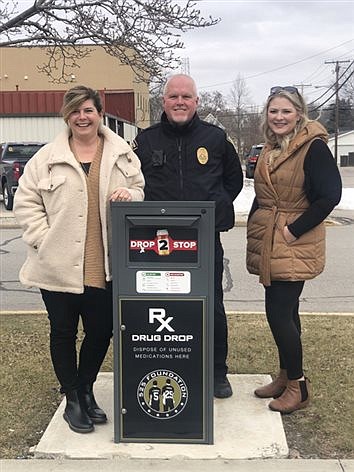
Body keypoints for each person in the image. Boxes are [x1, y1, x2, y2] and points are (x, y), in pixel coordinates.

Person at [14, 85, 145, 433]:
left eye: (88, 110)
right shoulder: (46, 158)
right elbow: (25, 202)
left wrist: (130, 194)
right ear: (66, 116)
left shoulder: (121, 153)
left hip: (103, 264)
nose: (82, 117)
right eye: (75, 111)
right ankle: (72, 398)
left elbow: (141, 188)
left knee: (101, 330)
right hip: (56, 264)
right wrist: (44, 239)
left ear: (99, 113)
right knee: (63, 332)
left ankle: (85, 388)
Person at [134, 74, 243, 398]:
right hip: (158, 241)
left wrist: (217, 205)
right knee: (161, 306)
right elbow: (133, 182)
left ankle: (216, 372)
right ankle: (170, 366)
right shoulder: (146, 141)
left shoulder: (216, 138)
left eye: (186, 96)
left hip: (204, 238)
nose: (180, 102)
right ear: (163, 102)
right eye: (173, 97)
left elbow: (233, 181)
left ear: (197, 102)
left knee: (210, 306)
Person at [246, 86, 342, 414]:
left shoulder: (313, 147)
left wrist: (292, 230)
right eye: (274, 111)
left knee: (279, 312)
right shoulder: (272, 147)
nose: (279, 117)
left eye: (286, 111)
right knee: (287, 312)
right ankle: (286, 376)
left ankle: (298, 386)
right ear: (266, 115)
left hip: (292, 241)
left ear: (299, 113)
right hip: (271, 237)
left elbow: (330, 195)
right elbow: (264, 193)